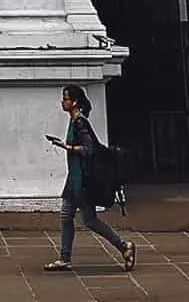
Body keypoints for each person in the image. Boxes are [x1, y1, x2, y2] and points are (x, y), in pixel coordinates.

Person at [44, 84, 136, 273]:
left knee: (82, 219)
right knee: (77, 218)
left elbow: (88, 149)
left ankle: (122, 246)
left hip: (81, 179)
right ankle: (66, 257)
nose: (63, 102)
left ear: (75, 102)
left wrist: (66, 147)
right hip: (76, 178)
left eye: (66, 98)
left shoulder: (79, 122)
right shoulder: (75, 121)